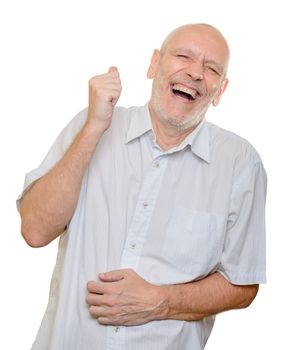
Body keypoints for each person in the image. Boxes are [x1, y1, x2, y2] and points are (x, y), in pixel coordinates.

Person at [17, 23, 267, 350]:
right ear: (154, 64)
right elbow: (35, 231)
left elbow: (243, 284)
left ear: (220, 90)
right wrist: (93, 130)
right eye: (183, 56)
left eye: (211, 68)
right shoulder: (91, 124)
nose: (194, 73)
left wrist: (161, 300)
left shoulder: (240, 163)